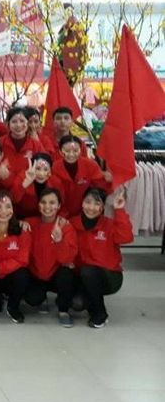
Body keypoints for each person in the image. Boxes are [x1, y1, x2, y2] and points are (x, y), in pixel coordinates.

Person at [71, 187, 133, 328]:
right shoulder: (73, 224)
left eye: (97, 203)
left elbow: (126, 237)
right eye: (88, 202)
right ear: (82, 203)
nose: (91, 207)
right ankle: (92, 302)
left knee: (88, 271)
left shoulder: (109, 225)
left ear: (102, 207)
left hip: (109, 276)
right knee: (77, 303)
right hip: (83, 276)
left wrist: (119, 210)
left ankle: (100, 314)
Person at [24, 188, 78, 327]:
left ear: (59, 205)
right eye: (43, 202)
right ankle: (42, 298)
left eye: (52, 203)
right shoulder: (29, 223)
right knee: (32, 299)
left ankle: (63, 310)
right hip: (36, 274)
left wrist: (59, 241)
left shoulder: (65, 226)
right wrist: (20, 224)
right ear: (38, 205)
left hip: (56, 274)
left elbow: (67, 259)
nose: (47, 206)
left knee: (66, 273)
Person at [0, 190, 32, 324]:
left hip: (10, 277)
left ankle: (13, 307)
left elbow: (22, 260)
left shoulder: (22, 231)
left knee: (23, 274)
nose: (4, 211)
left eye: (8, 206)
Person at [52, 135, 112, 218]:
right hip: (60, 213)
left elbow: (101, 185)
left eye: (75, 150)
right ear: (60, 151)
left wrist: (111, 180)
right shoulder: (54, 168)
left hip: (86, 213)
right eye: (67, 151)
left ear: (81, 150)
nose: (71, 154)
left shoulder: (90, 165)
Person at [11, 153, 65, 218]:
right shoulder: (22, 177)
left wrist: (59, 218)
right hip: (23, 218)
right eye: (38, 168)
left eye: (45, 169)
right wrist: (24, 185)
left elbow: (61, 203)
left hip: (48, 218)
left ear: (50, 171)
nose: (41, 173)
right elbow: (13, 200)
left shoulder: (56, 182)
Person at [0, 107, 45, 176]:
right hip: (3, 181)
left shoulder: (36, 145)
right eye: (14, 121)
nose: (18, 125)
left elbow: (45, 164)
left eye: (22, 121)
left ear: (27, 123)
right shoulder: (0, 143)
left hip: (28, 181)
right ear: (8, 124)